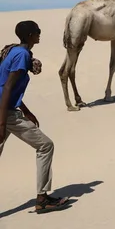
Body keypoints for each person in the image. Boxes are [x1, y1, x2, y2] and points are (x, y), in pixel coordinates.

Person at [0, 20, 69, 214]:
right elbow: (7, 87)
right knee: (46, 146)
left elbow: (6, 86)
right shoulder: (22, 54)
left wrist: (26, 110)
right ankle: (43, 199)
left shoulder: (14, 51)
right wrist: (3, 122)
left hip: (6, 109)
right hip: (5, 112)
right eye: (37, 31)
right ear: (30, 35)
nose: (40, 34)